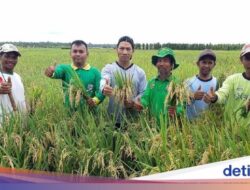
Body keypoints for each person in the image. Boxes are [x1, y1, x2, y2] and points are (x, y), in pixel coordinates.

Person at [45, 40, 104, 112]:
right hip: (69, 113)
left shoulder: (95, 72)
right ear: (70, 54)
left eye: (81, 51)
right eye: (75, 51)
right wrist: (51, 73)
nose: (78, 54)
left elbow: (101, 91)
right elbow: (57, 72)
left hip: (90, 114)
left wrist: (94, 100)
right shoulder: (65, 69)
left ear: (87, 54)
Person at [100, 36, 147, 128]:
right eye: (121, 48)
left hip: (134, 120)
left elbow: (144, 92)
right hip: (113, 118)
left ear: (133, 51)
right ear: (116, 50)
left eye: (128, 49)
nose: (125, 52)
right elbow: (104, 80)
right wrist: (104, 87)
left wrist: (133, 102)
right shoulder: (109, 68)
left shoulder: (139, 72)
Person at [134, 48, 183, 126]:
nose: (161, 63)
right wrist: (140, 104)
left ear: (172, 65)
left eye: (165, 60)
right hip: (152, 126)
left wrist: (177, 111)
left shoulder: (177, 83)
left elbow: (182, 105)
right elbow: (145, 100)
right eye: (159, 61)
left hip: (171, 127)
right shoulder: (151, 82)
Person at [204, 43, 250, 126]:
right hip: (230, 129)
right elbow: (223, 93)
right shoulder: (233, 79)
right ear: (241, 60)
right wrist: (215, 97)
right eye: (248, 58)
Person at [185, 49, 218, 120]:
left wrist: (213, 99)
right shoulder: (189, 82)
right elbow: (181, 102)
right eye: (204, 62)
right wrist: (192, 96)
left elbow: (218, 104)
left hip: (208, 124)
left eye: (210, 63)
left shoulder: (216, 82)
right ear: (198, 63)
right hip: (189, 124)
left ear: (214, 65)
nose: (206, 65)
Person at [0, 43, 26, 123]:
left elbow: (23, 97)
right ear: (0, 57)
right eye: (7, 56)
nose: (11, 60)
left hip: (20, 120)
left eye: (14, 57)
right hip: (4, 123)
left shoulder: (17, 76)